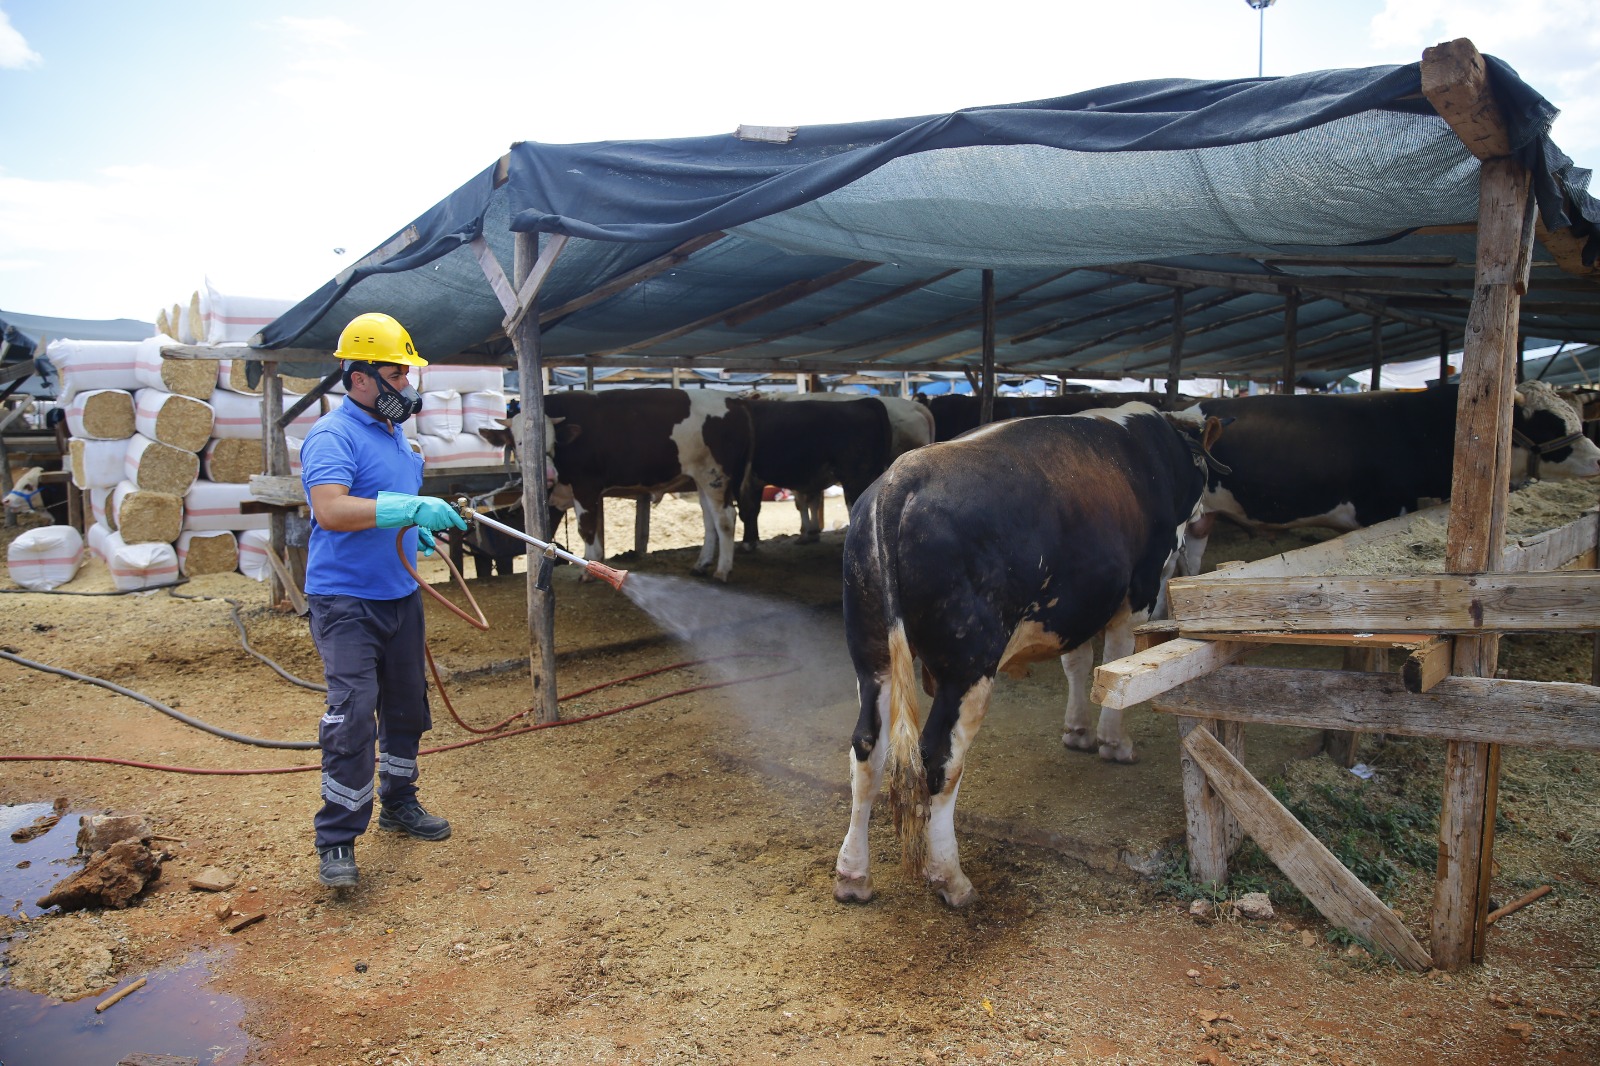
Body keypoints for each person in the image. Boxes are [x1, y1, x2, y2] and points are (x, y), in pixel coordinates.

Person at [298, 312, 468, 889]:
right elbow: (331, 510)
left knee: (405, 707)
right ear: (360, 377)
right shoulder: (332, 436)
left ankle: (400, 802)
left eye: (407, 374)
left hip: (399, 593)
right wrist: (406, 509)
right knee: (352, 716)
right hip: (346, 601)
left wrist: (410, 528)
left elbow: (387, 510)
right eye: (397, 374)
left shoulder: (398, 438)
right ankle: (338, 839)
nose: (407, 386)